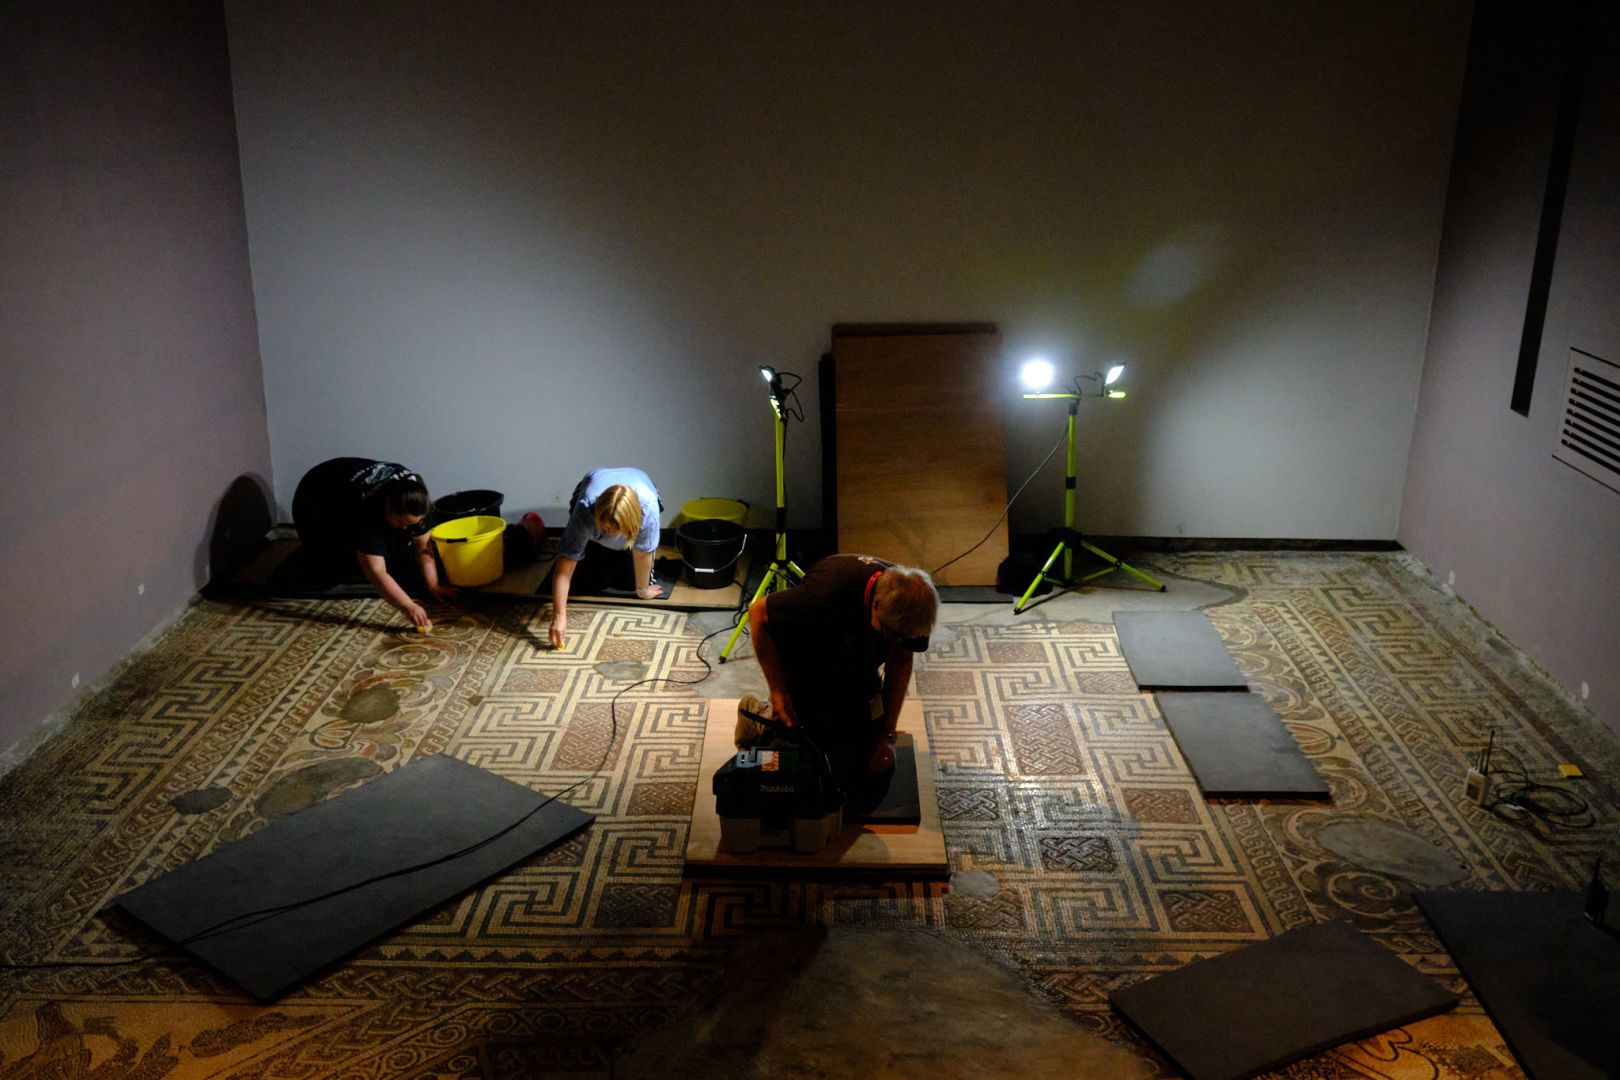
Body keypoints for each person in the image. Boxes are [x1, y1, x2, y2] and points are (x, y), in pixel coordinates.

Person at [747, 555, 938, 813]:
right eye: (892, 633)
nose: (898, 641)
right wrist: (778, 690)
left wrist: (887, 734)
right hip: (810, 657)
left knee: (868, 777)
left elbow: (901, 662)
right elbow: (757, 613)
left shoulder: (913, 609)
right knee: (802, 765)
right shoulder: (825, 594)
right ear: (876, 605)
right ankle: (757, 716)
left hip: (858, 660)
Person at [291, 457, 456, 629]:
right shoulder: (366, 512)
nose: (406, 527)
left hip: (347, 486)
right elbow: (376, 572)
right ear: (388, 506)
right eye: (401, 521)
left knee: (398, 548)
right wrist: (408, 606)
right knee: (338, 568)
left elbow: (423, 546)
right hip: (316, 497)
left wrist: (434, 586)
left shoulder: (417, 500)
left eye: (411, 523)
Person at [549, 467, 664, 648]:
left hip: (638, 505)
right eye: (604, 529)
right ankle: (600, 548)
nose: (609, 532)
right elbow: (564, 568)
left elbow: (642, 555)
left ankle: (616, 551)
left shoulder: (648, 510)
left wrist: (643, 590)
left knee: (629, 582)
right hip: (589, 494)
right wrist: (559, 617)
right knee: (591, 582)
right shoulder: (585, 509)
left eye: (613, 530)